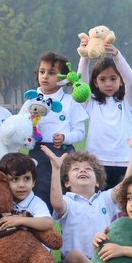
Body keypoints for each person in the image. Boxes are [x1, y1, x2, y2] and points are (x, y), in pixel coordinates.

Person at [42, 128, 132, 263]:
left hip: (103, 260)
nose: (82, 171)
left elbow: (128, 182)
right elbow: (56, 202)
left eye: (88, 169)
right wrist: (56, 168)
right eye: (76, 169)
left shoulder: (105, 199)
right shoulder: (68, 201)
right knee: (74, 256)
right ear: (67, 182)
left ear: (98, 181)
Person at [29, 51, 87, 206]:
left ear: (64, 79)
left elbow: (80, 132)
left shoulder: (71, 101)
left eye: (51, 73)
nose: (45, 76)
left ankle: (69, 230)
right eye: (42, 72)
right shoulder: (31, 100)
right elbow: (19, 128)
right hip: (38, 154)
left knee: (67, 199)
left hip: (64, 154)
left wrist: (65, 137)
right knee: (39, 199)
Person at [81, 42, 132, 187]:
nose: (108, 83)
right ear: (95, 83)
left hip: (124, 162)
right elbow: (81, 83)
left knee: (122, 207)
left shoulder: (128, 102)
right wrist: (85, 57)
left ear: (121, 81)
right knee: (98, 205)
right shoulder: (91, 103)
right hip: (96, 164)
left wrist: (117, 56)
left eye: (113, 78)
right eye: (102, 79)